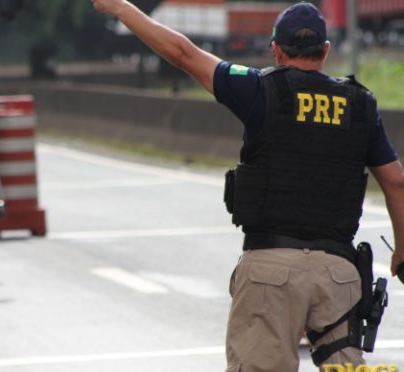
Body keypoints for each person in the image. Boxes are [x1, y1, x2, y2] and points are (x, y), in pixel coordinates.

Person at [91, 1, 404, 371]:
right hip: (338, 273)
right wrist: (401, 252)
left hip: (270, 271)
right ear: (326, 50)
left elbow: (183, 53)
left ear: (275, 48)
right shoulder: (361, 104)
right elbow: (396, 181)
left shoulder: (259, 89)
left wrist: (123, 9)